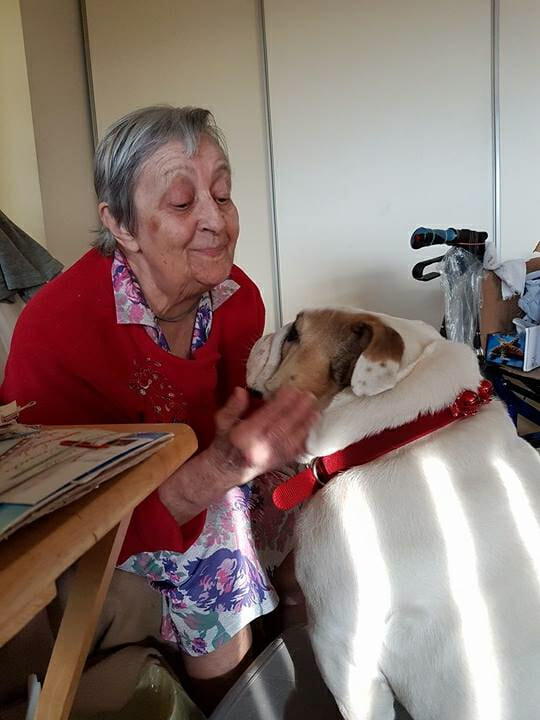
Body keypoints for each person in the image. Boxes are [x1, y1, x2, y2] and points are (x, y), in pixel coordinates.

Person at [1, 106, 318, 711]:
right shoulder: (56, 331)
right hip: (108, 521)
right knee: (218, 544)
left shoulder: (235, 298)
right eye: (181, 202)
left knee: (320, 500)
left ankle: (304, 663)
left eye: (222, 194)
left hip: (207, 480)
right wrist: (222, 469)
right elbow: (55, 523)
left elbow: (239, 416)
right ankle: (237, 697)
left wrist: (262, 437)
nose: (216, 222)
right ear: (120, 223)